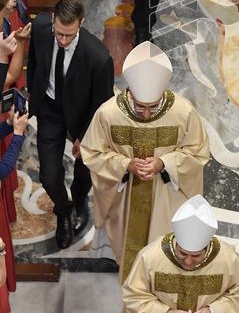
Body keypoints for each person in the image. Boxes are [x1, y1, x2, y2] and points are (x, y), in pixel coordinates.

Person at [80, 42, 210, 281]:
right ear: (129, 91)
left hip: (166, 197)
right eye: (141, 107)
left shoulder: (183, 112)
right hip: (127, 197)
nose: (147, 114)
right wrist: (126, 164)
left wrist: (164, 163)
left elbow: (197, 152)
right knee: (132, 260)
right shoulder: (109, 113)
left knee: (165, 257)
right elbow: (93, 152)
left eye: (153, 107)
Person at [27, 0, 114, 250]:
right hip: (50, 110)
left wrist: (85, 136)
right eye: (59, 33)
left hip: (83, 115)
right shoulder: (42, 28)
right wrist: (35, 94)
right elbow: (34, 63)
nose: (62, 40)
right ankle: (64, 211)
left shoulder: (98, 57)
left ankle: (79, 200)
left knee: (84, 167)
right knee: (49, 175)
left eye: (69, 35)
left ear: (81, 24)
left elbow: (102, 103)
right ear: (52, 20)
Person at [122, 195, 239, 313]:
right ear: (176, 244)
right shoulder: (150, 256)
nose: (188, 261)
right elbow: (134, 295)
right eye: (183, 253)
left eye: (196, 255)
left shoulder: (227, 258)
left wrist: (215, 312)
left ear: (206, 247)